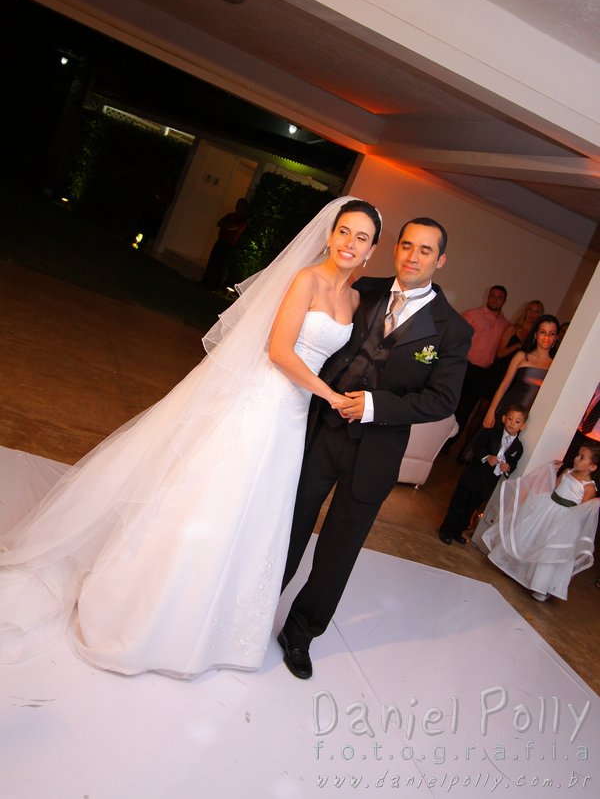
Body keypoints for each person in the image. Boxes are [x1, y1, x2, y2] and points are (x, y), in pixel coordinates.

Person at [0, 196, 381, 677]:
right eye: (344, 232)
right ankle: (151, 614)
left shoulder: (354, 300)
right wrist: (330, 396)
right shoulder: (305, 279)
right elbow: (280, 352)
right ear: (329, 235)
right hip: (261, 402)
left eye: (361, 238)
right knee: (212, 500)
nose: (350, 243)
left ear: (371, 251)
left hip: (292, 418)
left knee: (257, 514)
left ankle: (215, 631)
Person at [277, 217, 473, 678]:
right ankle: (254, 606)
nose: (413, 256)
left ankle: (301, 633)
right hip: (322, 431)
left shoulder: (452, 329)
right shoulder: (363, 290)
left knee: (339, 549)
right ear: (395, 249)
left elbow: (442, 400)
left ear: (441, 260)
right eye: (406, 245)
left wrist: (374, 406)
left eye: (425, 250)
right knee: (288, 524)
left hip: (377, 451)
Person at [483, 443, 600, 601]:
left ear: (592, 467)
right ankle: (516, 569)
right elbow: (555, 488)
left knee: (549, 551)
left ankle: (541, 586)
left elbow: (581, 512)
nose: (576, 458)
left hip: (564, 520)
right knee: (532, 539)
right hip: (548, 509)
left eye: (582, 458)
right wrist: (551, 470)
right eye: (578, 455)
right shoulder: (567, 471)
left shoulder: (589, 488)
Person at [455, 299, 544, 460]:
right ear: (525, 311)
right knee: (482, 412)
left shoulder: (537, 338)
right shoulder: (512, 328)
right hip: (498, 375)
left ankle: (487, 453)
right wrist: (517, 346)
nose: (532, 314)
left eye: (537, 311)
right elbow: (500, 353)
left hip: (516, 382)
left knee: (503, 418)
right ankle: (465, 450)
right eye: (530, 310)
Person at [439, 404, 527, 546]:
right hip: (473, 477)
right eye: (510, 419)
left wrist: (508, 467)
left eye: (517, 421)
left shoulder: (518, 447)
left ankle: (457, 531)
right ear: (504, 418)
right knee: (458, 504)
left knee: (470, 508)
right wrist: (487, 457)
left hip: (487, 484)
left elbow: (513, 463)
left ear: (522, 426)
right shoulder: (490, 434)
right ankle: (446, 530)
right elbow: (477, 447)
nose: (512, 423)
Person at [448, 285, 510, 444]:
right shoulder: (472, 314)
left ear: (504, 301)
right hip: (464, 366)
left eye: (499, 297)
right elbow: (455, 337)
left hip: (483, 374)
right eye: (492, 295)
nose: (495, 299)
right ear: (488, 296)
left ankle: (448, 445)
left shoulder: (506, 325)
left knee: (466, 410)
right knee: (450, 404)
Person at [482, 314, 560, 430]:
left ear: (556, 337)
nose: (546, 337)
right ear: (536, 334)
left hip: (534, 418)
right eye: (542, 332)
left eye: (551, 333)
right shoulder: (522, 356)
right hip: (509, 410)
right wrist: (491, 411)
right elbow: (504, 385)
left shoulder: (557, 364)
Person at [201, 197, 249, 289]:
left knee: (221, 265)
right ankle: (206, 281)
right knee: (213, 261)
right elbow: (220, 223)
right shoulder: (230, 215)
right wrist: (226, 225)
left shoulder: (242, 220)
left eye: (241, 205)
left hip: (228, 244)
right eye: (238, 204)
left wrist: (227, 226)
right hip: (221, 241)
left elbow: (233, 227)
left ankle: (215, 285)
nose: (238, 206)